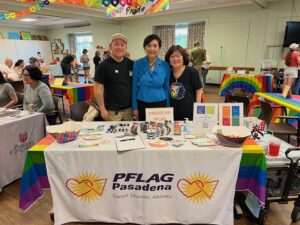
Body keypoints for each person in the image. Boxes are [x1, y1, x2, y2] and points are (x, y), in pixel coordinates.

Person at [94, 33, 134, 121]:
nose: (119, 47)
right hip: (112, 112)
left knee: (131, 134)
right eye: (116, 44)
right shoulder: (103, 66)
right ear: (110, 46)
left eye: (122, 45)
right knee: (112, 134)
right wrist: (102, 109)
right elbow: (97, 89)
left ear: (126, 48)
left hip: (129, 110)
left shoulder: (131, 64)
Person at [132, 34, 170, 121]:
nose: (152, 49)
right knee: (144, 130)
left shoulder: (165, 65)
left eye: (155, 46)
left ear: (159, 48)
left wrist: (168, 107)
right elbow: (134, 86)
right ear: (145, 48)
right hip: (142, 102)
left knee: (160, 130)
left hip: (160, 103)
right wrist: (134, 107)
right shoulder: (138, 64)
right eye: (149, 46)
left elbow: (167, 87)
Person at [165, 45, 203, 121]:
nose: (175, 59)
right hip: (171, 112)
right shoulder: (167, 72)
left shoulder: (191, 71)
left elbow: (198, 90)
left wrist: (197, 108)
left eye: (178, 56)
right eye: (172, 56)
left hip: (188, 112)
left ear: (183, 57)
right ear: (168, 59)